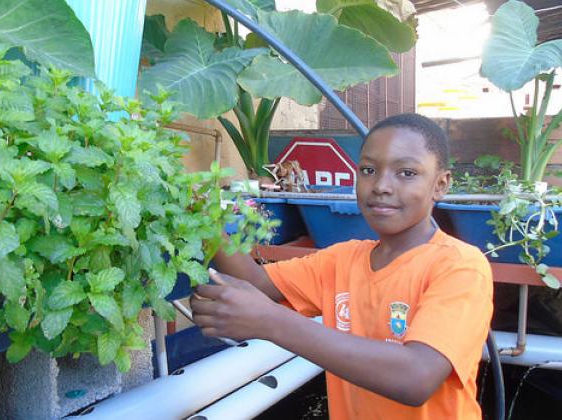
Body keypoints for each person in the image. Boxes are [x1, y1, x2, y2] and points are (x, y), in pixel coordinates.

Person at [191, 113, 493, 419]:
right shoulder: (342, 260)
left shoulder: (459, 266)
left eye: (406, 173)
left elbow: (416, 377)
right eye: (369, 170)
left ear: (440, 184)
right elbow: (257, 282)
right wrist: (205, 225)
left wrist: (272, 322)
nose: (381, 186)